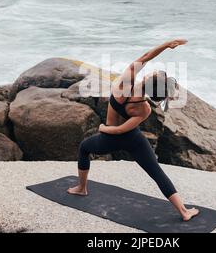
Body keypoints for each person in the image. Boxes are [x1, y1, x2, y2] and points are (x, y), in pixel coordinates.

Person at [67, 39, 199, 222]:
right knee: (156, 172)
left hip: (109, 137)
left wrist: (166, 45)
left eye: (153, 73)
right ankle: (184, 212)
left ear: (147, 78)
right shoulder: (144, 108)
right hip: (134, 139)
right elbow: (124, 130)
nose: (151, 71)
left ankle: (81, 188)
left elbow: (145, 57)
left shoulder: (125, 84)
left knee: (84, 148)